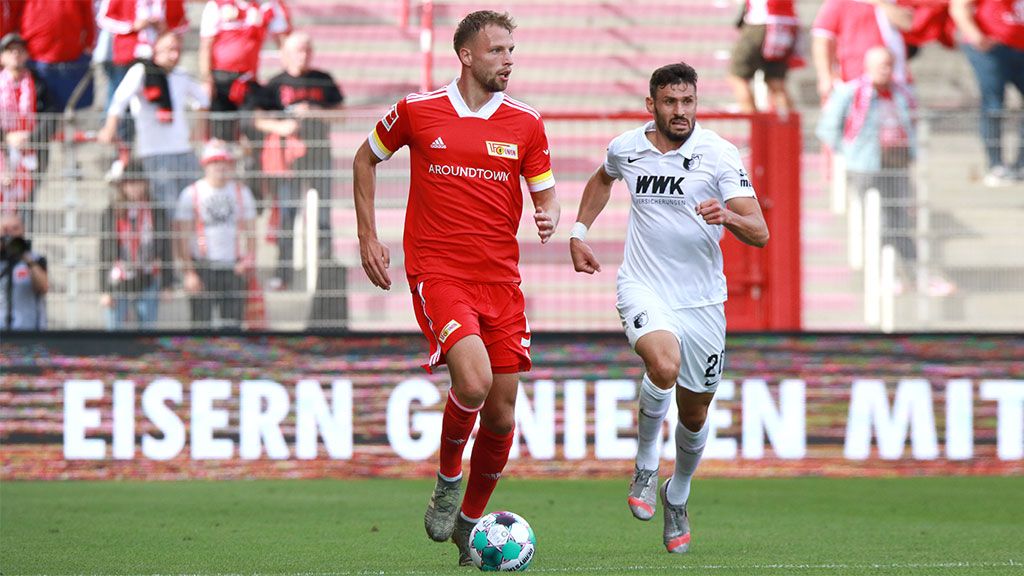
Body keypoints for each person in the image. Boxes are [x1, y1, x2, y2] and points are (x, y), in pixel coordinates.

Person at [352, 10, 559, 566]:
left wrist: (548, 215)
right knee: (473, 379)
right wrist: (368, 234)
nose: (508, 59)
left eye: (512, 50)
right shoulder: (416, 112)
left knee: (502, 415)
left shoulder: (526, 123)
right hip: (438, 272)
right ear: (467, 55)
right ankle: (447, 479)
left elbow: (546, 192)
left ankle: (470, 524)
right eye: (497, 51)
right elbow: (365, 157)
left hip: (501, 283)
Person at [569, 62, 768, 554]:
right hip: (643, 286)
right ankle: (643, 466)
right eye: (670, 102)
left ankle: (676, 492)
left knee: (695, 412)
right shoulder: (627, 148)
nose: (680, 112)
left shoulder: (720, 155)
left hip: (701, 300)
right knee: (663, 362)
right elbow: (601, 179)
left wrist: (728, 215)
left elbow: (760, 231)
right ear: (651, 105)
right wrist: (579, 233)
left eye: (688, 102)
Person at [817, 47, 956, 296]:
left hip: (896, 164)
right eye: (881, 65)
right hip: (866, 167)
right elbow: (828, 128)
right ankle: (885, 274)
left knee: (900, 221)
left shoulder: (901, 93)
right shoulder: (852, 93)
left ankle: (917, 275)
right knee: (878, 221)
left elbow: (912, 123)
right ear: (868, 66)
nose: (886, 70)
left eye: (889, 65)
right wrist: (850, 153)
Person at [250, 30, 343, 290]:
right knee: (287, 215)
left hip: (318, 156)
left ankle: (324, 269)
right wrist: (283, 128)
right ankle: (284, 273)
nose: (301, 56)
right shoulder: (274, 84)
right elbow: (258, 119)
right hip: (287, 160)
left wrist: (314, 112)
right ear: (285, 55)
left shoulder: (323, 80)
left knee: (322, 215)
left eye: (305, 50)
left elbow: (341, 115)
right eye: (296, 51)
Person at [174, 139, 257, 330]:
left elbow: (251, 232)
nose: (220, 166)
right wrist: (189, 273)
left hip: (233, 266)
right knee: (200, 325)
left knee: (233, 326)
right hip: (203, 266)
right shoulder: (191, 193)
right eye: (215, 162)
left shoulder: (241, 192)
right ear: (206, 165)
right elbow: (182, 236)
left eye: (224, 162)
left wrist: (248, 259)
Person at [949, 0, 1024, 187]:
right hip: (991, 47)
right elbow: (959, 6)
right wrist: (976, 36)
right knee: (994, 104)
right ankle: (996, 165)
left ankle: (1021, 164)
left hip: (1019, 46)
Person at [199, 0, 291, 141]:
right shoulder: (217, 5)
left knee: (254, 127)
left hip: (248, 81)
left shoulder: (269, 7)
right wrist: (206, 79)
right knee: (221, 132)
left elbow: (285, 44)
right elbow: (206, 46)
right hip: (220, 82)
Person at [100, 159, 171, 330]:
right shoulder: (112, 211)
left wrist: (167, 284)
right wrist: (104, 289)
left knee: (147, 330)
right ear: (122, 186)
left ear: (145, 184)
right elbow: (104, 251)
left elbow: (166, 247)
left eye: (139, 183)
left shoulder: (156, 210)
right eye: (130, 183)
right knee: (114, 330)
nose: (135, 188)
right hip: (118, 279)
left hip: (147, 277)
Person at [0, 32, 58, 228]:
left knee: (26, 210)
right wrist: (6, 138)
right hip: (3, 156)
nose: (16, 54)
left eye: (20, 51)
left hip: (32, 155)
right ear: (2, 57)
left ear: (26, 55)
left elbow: (51, 114)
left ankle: (21, 253)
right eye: (10, 51)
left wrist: (32, 138)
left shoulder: (38, 83)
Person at [96, 0, 189, 107]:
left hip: (158, 59)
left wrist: (166, 28)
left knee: (156, 102)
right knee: (119, 101)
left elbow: (182, 23)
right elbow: (104, 18)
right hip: (128, 56)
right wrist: (132, 25)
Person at [727, 0, 800, 113]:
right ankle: (790, 127)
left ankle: (755, 125)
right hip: (785, 25)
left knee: (738, 77)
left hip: (759, 22)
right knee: (776, 82)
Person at [0, 212, 47, 330]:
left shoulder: (36, 259)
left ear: (23, 231)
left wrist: (26, 259)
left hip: (28, 332)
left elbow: (43, 287)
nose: (10, 234)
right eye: (5, 230)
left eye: (15, 229)